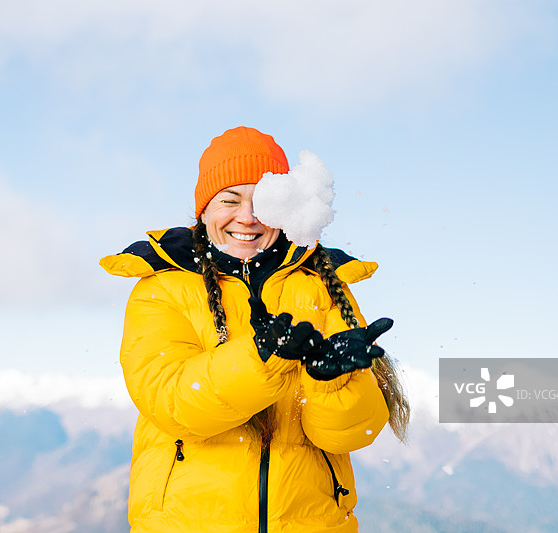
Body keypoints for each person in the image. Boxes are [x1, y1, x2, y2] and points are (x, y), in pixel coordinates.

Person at [100, 126, 409, 533]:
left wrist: (333, 384)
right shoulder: (162, 287)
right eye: (230, 201)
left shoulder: (323, 284)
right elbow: (172, 401)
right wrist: (261, 360)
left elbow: (354, 433)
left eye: (262, 203)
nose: (246, 217)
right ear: (204, 210)